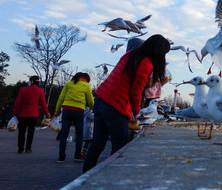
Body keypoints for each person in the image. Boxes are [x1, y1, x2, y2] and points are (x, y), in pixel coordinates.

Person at [83, 34, 170, 173]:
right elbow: (136, 91)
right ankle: (110, 179)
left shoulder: (130, 54)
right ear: (158, 51)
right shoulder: (146, 63)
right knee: (120, 147)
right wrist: (136, 113)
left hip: (101, 100)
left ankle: (86, 177)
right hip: (115, 106)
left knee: (97, 144)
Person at [55, 72, 94, 163]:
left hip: (67, 110)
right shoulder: (86, 85)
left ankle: (61, 157)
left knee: (64, 135)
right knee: (79, 134)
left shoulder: (69, 84)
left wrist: (57, 110)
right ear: (86, 79)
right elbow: (91, 100)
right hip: (78, 111)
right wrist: (91, 108)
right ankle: (77, 156)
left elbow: (61, 98)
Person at [12, 76, 50, 154]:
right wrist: (47, 113)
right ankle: (28, 148)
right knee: (31, 131)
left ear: (31, 81)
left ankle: (20, 149)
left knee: (21, 132)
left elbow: (17, 102)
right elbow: (43, 103)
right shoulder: (40, 90)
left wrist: (14, 113)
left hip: (23, 113)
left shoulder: (23, 89)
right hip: (34, 114)